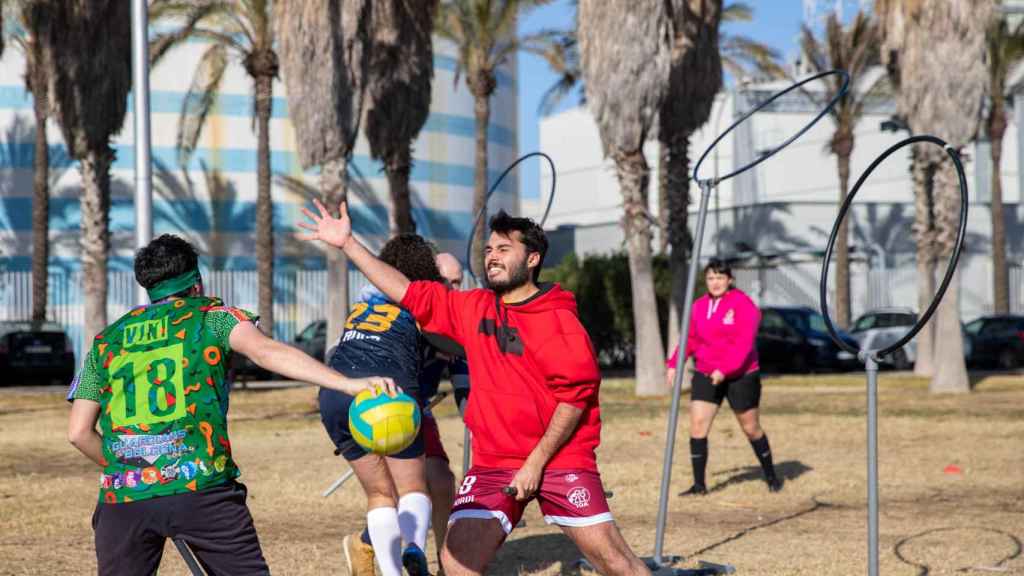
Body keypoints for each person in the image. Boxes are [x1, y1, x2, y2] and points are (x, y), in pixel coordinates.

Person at [298, 200, 650, 576]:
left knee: (614, 562)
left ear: (532, 259)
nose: (492, 257)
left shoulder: (557, 318)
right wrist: (349, 243)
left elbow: (574, 400)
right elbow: (405, 290)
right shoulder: (475, 307)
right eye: (488, 250)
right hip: (494, 463)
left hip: (560, 460)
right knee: (456, 561)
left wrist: (535, 465)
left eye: (504, 249)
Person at [66, 234, 396, 576]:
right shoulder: (215, 317)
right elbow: (265, 351)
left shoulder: (107, 340)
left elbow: (78, 432)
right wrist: (348, 384)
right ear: (197, 282)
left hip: (124, 497)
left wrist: (132, 469)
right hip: (204, 489)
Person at [322, 234, 442, 576]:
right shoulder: (417, 300)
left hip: (335, 391)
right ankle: (415, 545)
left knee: (379, 493)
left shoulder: (363, 303)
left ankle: (391, 573)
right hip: (388, 390)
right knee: (412, 489)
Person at [665, 258, 781, 496]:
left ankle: (771, 476)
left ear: (729, 280)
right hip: (706, 372)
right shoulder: (698, 306)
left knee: (751, 428)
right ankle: (699, 486)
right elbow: (691, 338)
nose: (715, 282)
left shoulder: (744, 305)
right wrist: (675, 363)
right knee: (698, 426)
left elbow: (744, 344)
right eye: (710, 278)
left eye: (719, 277)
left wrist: (725, 370)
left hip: (741, 375)